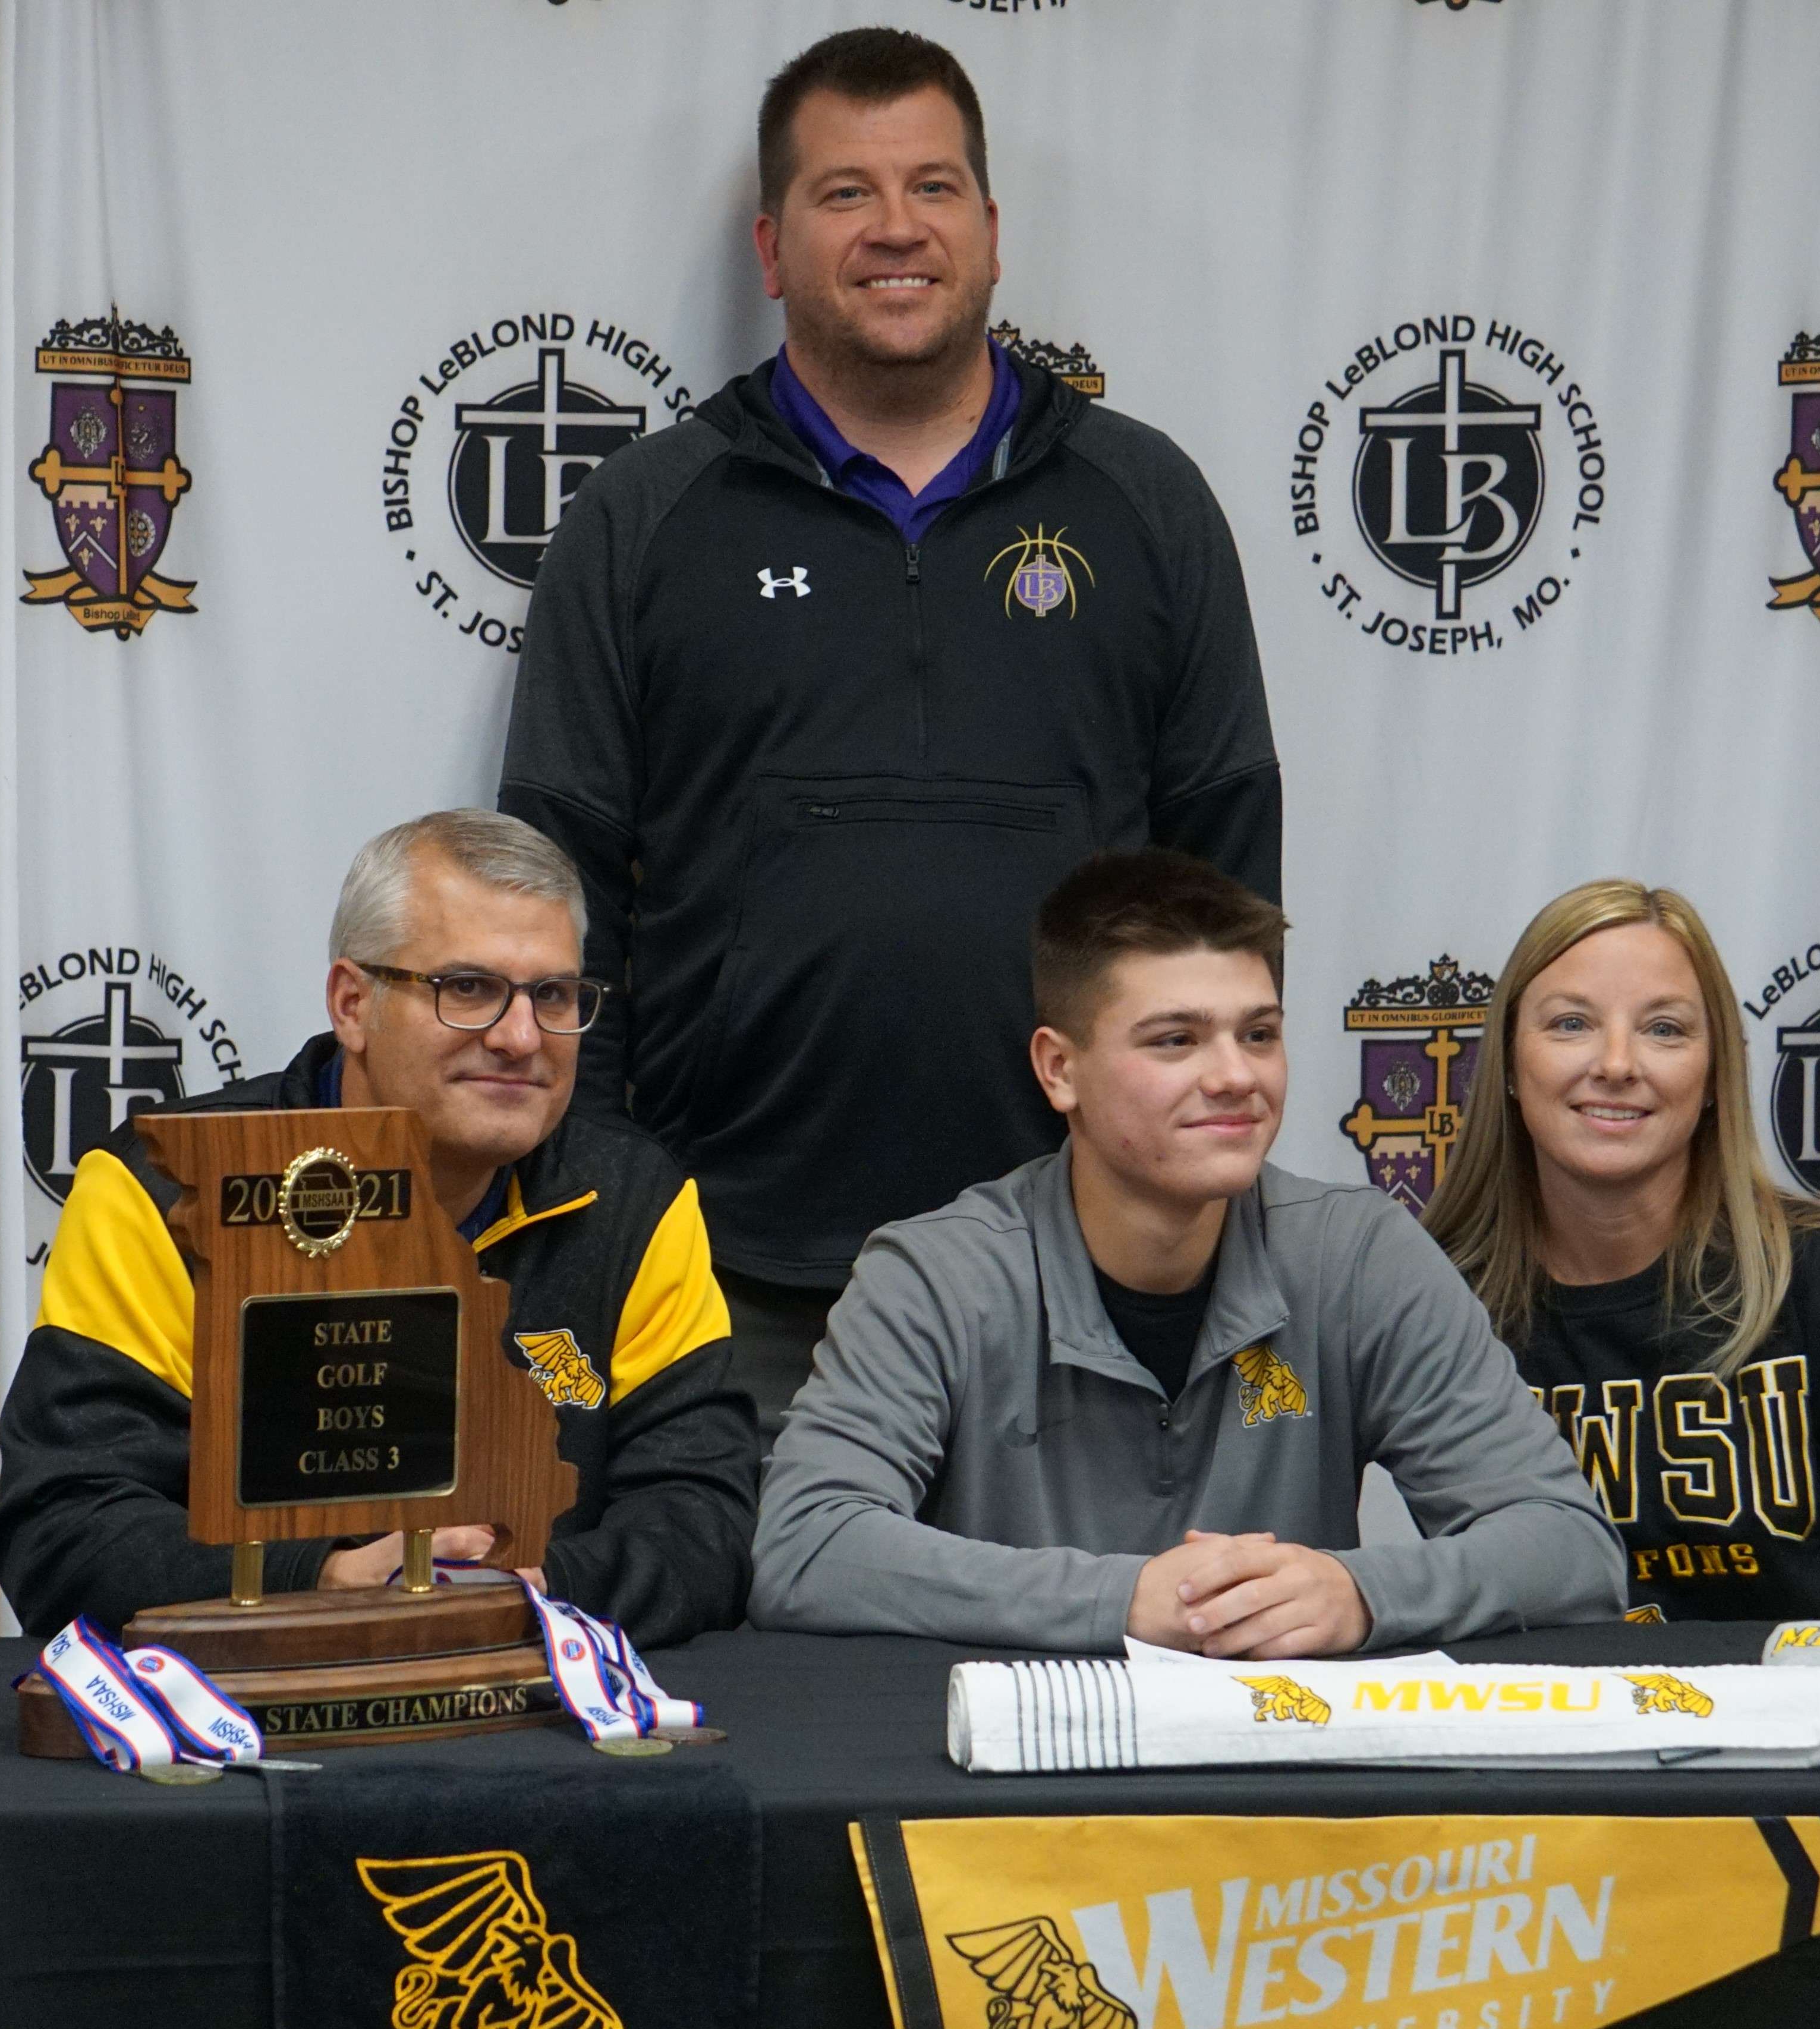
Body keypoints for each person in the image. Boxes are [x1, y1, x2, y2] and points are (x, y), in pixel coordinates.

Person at [501, 27, 1281, 1446]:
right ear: (770, 245)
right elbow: (553, 907)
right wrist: (611, 1216)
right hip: (726, 1282)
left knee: (1078, 1666)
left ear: (989, 232)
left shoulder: (1146, 505)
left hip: (1079, 1270)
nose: (895, 228)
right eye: (844, 194)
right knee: (751, 1670)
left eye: (931, 187)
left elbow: (1221, 890)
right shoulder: (641, 520)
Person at [748, 850, 1625, 1654]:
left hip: (1286, 1774)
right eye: (1175, 1040)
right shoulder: (935, 1275)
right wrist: (1122, 1598)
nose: (1237, 1076)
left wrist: (1358, 1592)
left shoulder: (1357, 1254)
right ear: (1059, 1070)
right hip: (1003, 1789)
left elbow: (1570, 1547)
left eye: (1258, 1034)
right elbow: (807, 1544)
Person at [0, 811, 757, 1643]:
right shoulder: (164, 1188)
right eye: (468, 989)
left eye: (555, 995)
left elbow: (703, 1519)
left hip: (543, 1704)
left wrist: (529, 1592)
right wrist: (321, 1584)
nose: (520, 1037)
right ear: (353, 1004)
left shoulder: (636, 1202)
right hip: (245, 1725)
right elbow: (63, 1526)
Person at [1421, 879, 1820, 1621]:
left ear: (1713, 1077)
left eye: (1664, 1030)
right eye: (1571, 1023)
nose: (1615, 1063)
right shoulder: (1432, 1299)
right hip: (1547, 1729)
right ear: (1509, 1064)